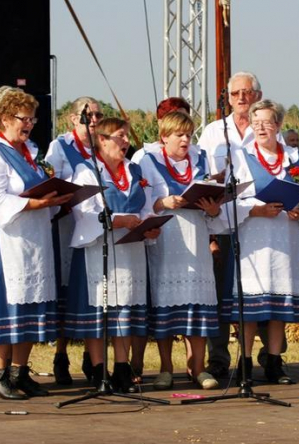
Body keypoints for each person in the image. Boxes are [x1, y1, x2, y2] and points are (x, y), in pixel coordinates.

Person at [0, 86, 73, 399]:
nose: (29, 124)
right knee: (8, 305)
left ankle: (20, 371)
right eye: (23, 118)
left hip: (35, 236)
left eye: (32, 119)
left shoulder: (30, 150)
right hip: (8, 237)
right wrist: (39, 204)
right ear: (4, 119)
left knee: (32, 305)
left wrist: (59, 198)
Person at [197, 71, 284, 378]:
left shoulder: (270, 130)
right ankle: (219, 359)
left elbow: (281, 170)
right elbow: (201, 173)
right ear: (228, 98)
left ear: (257, 96)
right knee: (221, 293)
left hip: (259, 227)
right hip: (223, 221)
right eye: (236, 94)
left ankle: (269, 355)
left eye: (247, 93)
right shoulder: (212, 132)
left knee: (264, 287)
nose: (242, 98)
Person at [220, 99, 299, 385]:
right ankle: (245, 362)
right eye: (255, 121)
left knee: (278, 302)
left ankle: (274, 361)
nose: (261, 127)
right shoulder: (240, 157)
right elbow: (229, 200)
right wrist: (255, 209)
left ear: (279, 125)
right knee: (250, 304)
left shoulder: (295, 158)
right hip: (254, 238)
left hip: (285, 236)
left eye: (267, 122)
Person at [63, 117, 159, 391]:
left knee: (125, 309)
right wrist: (118, 221)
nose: (126, 142)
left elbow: (146, 206)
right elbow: (83, 212)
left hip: (130, 250)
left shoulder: (134, 169)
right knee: (100, 310)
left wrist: (149, 224)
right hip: (99, 248)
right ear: (102, 139)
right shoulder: (87, 171)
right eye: (120, 136)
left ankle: (121, 367)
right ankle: (97, 368)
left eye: (127, 136)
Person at [140, 111, 223, 390]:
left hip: (197, 239)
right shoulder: (148, 161)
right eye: (179, 134)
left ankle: (197, 367)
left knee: (196, 303)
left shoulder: (200, 159)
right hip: (166, 239)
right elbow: (142, 202)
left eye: (188, 134)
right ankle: (165, 368)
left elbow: (212, 200)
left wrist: (214, 209)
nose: (186, 139)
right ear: (164, 137)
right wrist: (163, 202)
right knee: (167, 303)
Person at [45, 96, 106, 385]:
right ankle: (61, 354)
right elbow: (51, 179)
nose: (93, 119)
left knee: (88, 290)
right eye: (87, 114)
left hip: (92, 224)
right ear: (73, 119)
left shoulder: (102, 145)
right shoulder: (60, 146)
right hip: (66, 222)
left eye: (97, 115)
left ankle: (92, 357)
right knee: (65, 288)